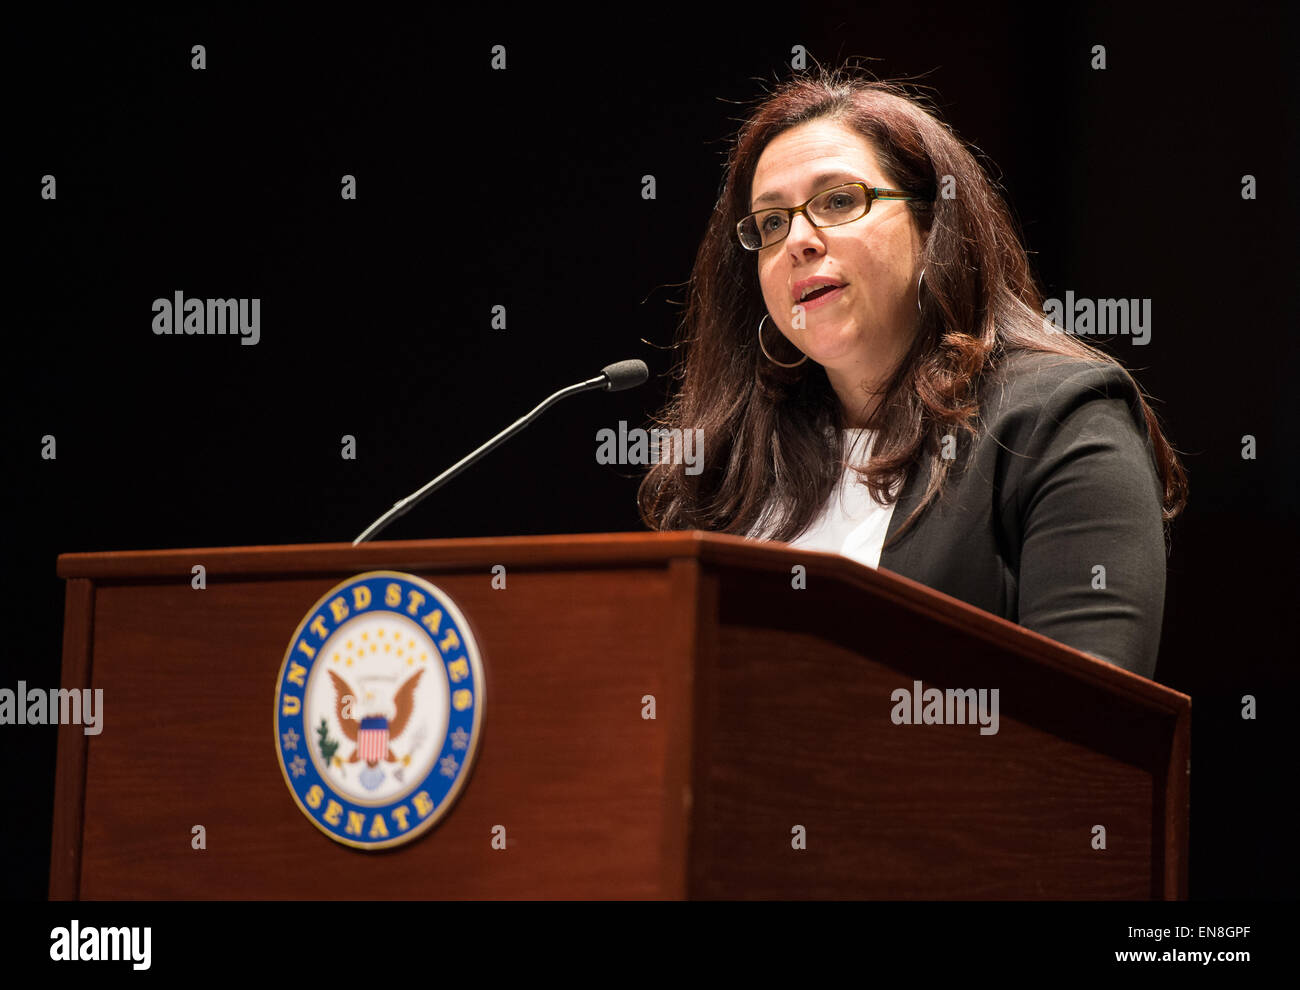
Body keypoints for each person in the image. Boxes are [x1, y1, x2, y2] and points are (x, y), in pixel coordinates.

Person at [637, 67, 1187, 680]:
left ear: (935, 228)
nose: (798, 240)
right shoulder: (739, 457)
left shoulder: (1059, 419)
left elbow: (1090, 727)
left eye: (839, 201)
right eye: (771, 222)